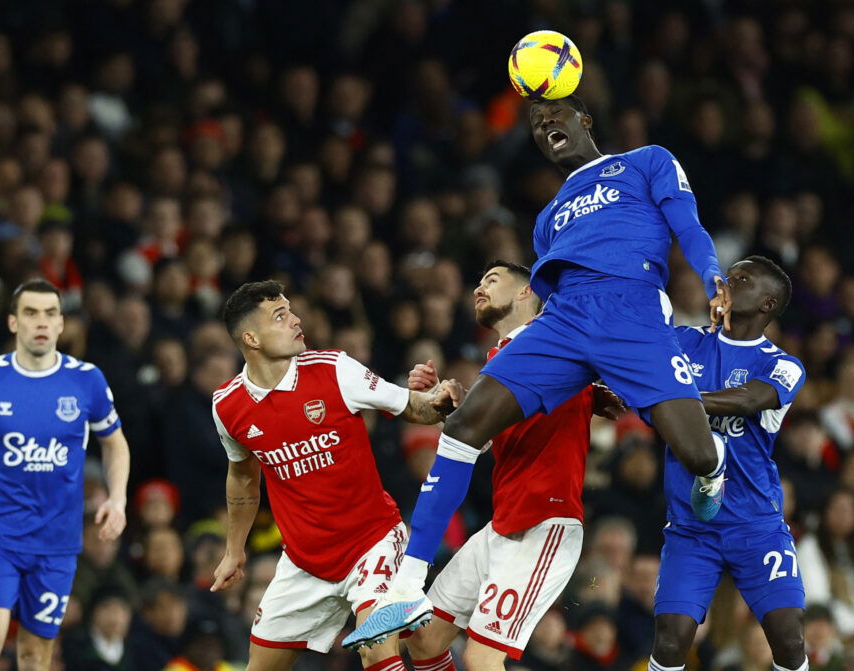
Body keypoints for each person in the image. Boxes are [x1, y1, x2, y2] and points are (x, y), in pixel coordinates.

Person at [346, 93, 733, 648]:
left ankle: (714, 466)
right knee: (462, 429)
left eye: (555, 115)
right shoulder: (549, 218)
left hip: (632, 312)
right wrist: (584, 379)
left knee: (697, 451)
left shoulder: (646, 160)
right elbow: (546, 306)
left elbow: (688, 227)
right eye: (535, 122)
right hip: (566, 319)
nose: (546, 123)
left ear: (585, 121)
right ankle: (407, 585)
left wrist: (712, 274)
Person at [208, 280, 463, 671]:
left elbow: (412, 408)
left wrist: (439, 402)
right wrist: (233, 550)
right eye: (280, 316)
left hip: (372, 541)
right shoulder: (228, 406)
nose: (295, 320)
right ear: (251, 338)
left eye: (291, 310)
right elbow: (243, 478)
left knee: (375, 645)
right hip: (304, 562)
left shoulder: (333, 369)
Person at [403, 261, 624, 671]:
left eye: (492, 280)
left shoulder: (556, 341)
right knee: (425, 641)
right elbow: (481, 437)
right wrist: (451, 402)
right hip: (502, 524)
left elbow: (609, 358)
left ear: (526, 293)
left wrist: (599, 384)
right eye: (478, 281)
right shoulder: (500, 359)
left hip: (544, 522)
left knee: (481, 658)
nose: (478, 289)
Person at [0, 279, 130, 671]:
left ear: (60, 324)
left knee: (35, 655)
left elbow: (115, 442)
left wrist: (118, 498)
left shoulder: (86, 380)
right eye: (31, 312)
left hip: (57, 540)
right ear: (13, 323)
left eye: (50, 313)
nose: (41, 321)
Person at [650, 257, 809, 671]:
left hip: (755, 524)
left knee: (790, 639)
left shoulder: (784, 365)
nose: (727, 281)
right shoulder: (683, 340)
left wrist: (678, 399)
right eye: (728, 274)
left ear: (767, 304)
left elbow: (749, 399)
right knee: (670, 640)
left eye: (742, 278)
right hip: (691, 526)